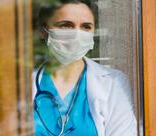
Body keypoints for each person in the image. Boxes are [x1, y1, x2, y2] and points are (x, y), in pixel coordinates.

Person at [32, 0, 137, 135]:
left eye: (86, 27)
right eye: (66, 25)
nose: (77, 34)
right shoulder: (24, 82)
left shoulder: (114, 83)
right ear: (43, 31)